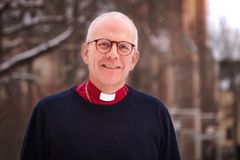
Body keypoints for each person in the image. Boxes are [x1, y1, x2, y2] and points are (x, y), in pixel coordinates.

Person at [20, 11, 180, 160]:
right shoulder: (49, 113)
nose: (113, 54)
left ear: (133, 59)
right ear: (85, 52)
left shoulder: (155, 114)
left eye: (123, 46)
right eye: (104, 44)